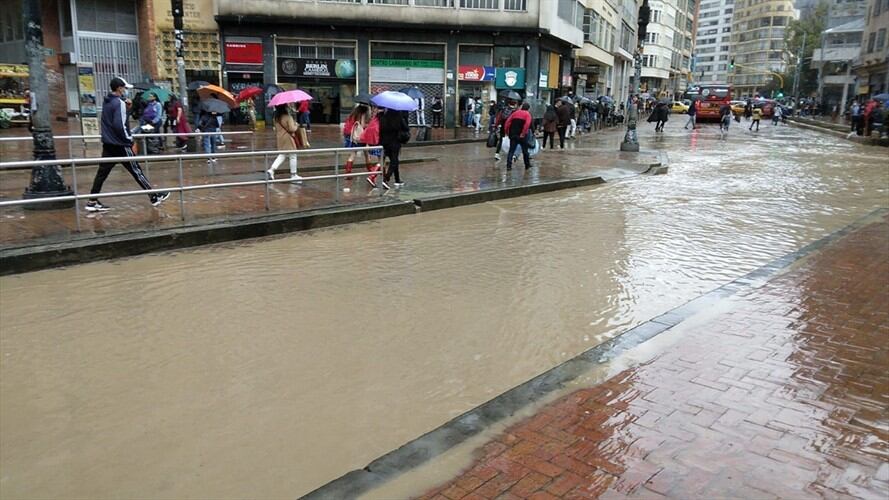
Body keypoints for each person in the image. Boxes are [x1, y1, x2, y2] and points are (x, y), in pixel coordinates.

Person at [85, 77, 169, 213]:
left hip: (108, 144)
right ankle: (154, 196)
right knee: (136, 171)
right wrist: (129, 139)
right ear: (119, 88)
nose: (125, 91)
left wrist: (127, 108)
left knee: (102, 173)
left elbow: (115, 120)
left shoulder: (108, 102)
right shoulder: (119, 103)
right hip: (121, 144)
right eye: (124, 88)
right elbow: (120, 124)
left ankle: (92, 201)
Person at [266, 104, 303, 181]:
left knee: (282, 155)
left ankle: (271, 170)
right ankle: (293, 175)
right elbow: (292, 129)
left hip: (280, 138)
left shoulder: (276, 118)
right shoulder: (288, 117)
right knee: (293, 155)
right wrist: (296, 125)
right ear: (285, 108)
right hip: (288, 138)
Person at [379, 107, 409, 189]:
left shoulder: (383, 116)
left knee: (394, 160)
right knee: (394, 160)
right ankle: (386, 178)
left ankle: (397, 179)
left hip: (385, 142)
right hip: (395, 142)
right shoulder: (398, 116)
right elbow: (406, 127)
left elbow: (380, 129)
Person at [343, 104, 371, 181]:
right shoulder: (363, 114)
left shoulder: (353, 113)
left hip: (352, 136)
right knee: (366, 154)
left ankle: (348, 172)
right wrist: (368, 125)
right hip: (360, 137)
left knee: (352, 154)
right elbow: (362, 125)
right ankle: (371, 171)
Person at [503, 102, 533, 171]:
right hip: (522, 136)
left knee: (511, 151)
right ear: (528, 108)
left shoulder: (515, 113)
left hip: (513, 134)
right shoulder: (527, 114)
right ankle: (527, 165)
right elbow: (527, 124)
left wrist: (507, 132)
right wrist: (523, 133)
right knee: (525, 151)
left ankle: (509, 166)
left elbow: (507, 122)